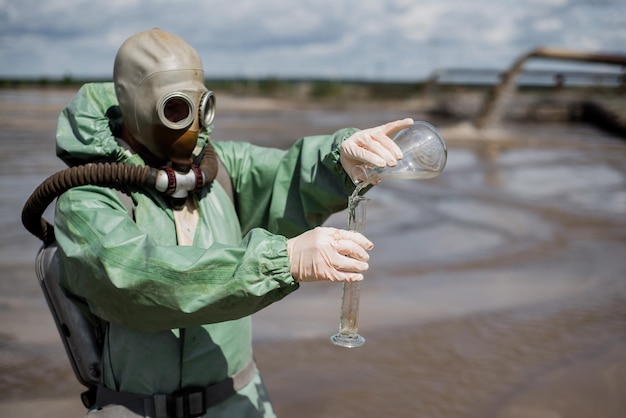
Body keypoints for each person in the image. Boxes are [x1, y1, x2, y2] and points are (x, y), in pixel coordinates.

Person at [53, 28, 413, 417]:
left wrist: (339, 159)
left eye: (199, 107)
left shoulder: (219, 171)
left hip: (238, 405)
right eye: (175, 109)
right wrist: (280, 260)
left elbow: (287, 178)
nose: (190, 128)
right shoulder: (88, 199)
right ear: (135, 106)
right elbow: (137, 280)